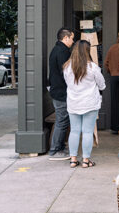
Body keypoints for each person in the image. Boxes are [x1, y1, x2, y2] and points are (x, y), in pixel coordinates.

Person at [64, 40, 106, 168]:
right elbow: (102, 85)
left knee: (74, 131)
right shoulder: (93, 67)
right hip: (90, 103)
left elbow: (68, 83)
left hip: (73, 102)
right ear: (87, 51)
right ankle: (86, 161)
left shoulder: (67, 67)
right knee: (87, 132)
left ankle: (73, 160)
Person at [48, 27, 73, 161]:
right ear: (65, 38)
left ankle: (60, 147)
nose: (72, 41)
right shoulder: (62, 51)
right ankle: (55, 150)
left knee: (62, 120)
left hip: (57, 90)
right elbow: (66, 73)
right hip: (61, 92)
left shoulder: (56, 50)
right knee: (62, 121)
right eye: (71, 38)